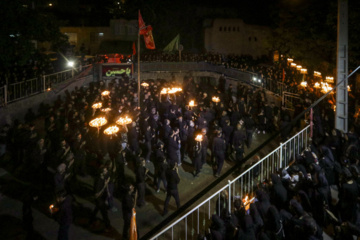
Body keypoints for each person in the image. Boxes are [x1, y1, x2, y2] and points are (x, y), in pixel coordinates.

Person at [89, 166, 111, 232]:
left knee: (97, 208)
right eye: (105, 171)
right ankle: (107, 226)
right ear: (101, 173)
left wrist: (107, 191)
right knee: (104, 213)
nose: (106, 172)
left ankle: (91, 219)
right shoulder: (98, 181)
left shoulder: (104, 176)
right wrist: (104, 186)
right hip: (99, 199)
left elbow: (106, 183)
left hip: (102, 197)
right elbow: (96, 195)